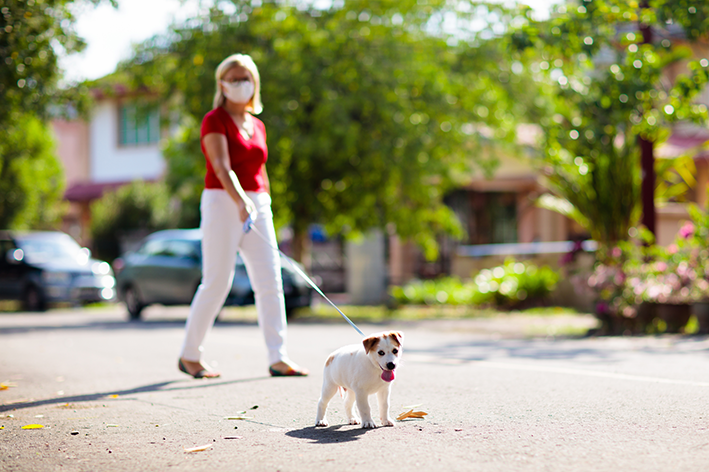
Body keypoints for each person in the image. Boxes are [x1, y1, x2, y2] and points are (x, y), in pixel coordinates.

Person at [178, 53, 308, 379]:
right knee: (217, 281)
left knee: (270, 281)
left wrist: (260, 201)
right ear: (222, 84)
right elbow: (222, 166)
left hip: (257, 202)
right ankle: (190, 355)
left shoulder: (258, 124)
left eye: (245, 78)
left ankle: (278, 356)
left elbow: (258, 169)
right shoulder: (214, 119)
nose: (240, 84)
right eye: (233, 79)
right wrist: (239, 200)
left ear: (255, 83)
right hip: (222, 201)